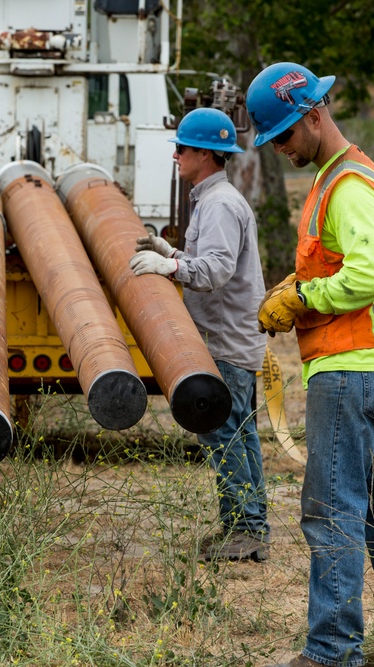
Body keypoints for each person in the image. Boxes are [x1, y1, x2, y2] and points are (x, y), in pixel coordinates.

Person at [246, 63, 374, 667]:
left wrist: (303, 299)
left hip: (350, 372)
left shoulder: (347, 184)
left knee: (333, 511)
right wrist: (297, 284)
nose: (280, 149)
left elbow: (367, 275)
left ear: (312, 114)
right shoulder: (339, 177)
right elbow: (340, 265)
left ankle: (330, 652)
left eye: (282, 136)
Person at [129, 107, 270, 562]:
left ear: (206, 155)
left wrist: (170, 267)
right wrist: (171, 250)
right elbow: (207, 257)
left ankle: (246, 529)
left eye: (182, 148)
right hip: (233, 339)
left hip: (227, 342)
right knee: (239, 435)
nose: (175, 154)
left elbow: (216, 270)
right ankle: (247, 526)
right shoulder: (213, 200)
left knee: (223, 434)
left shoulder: (220, 204)